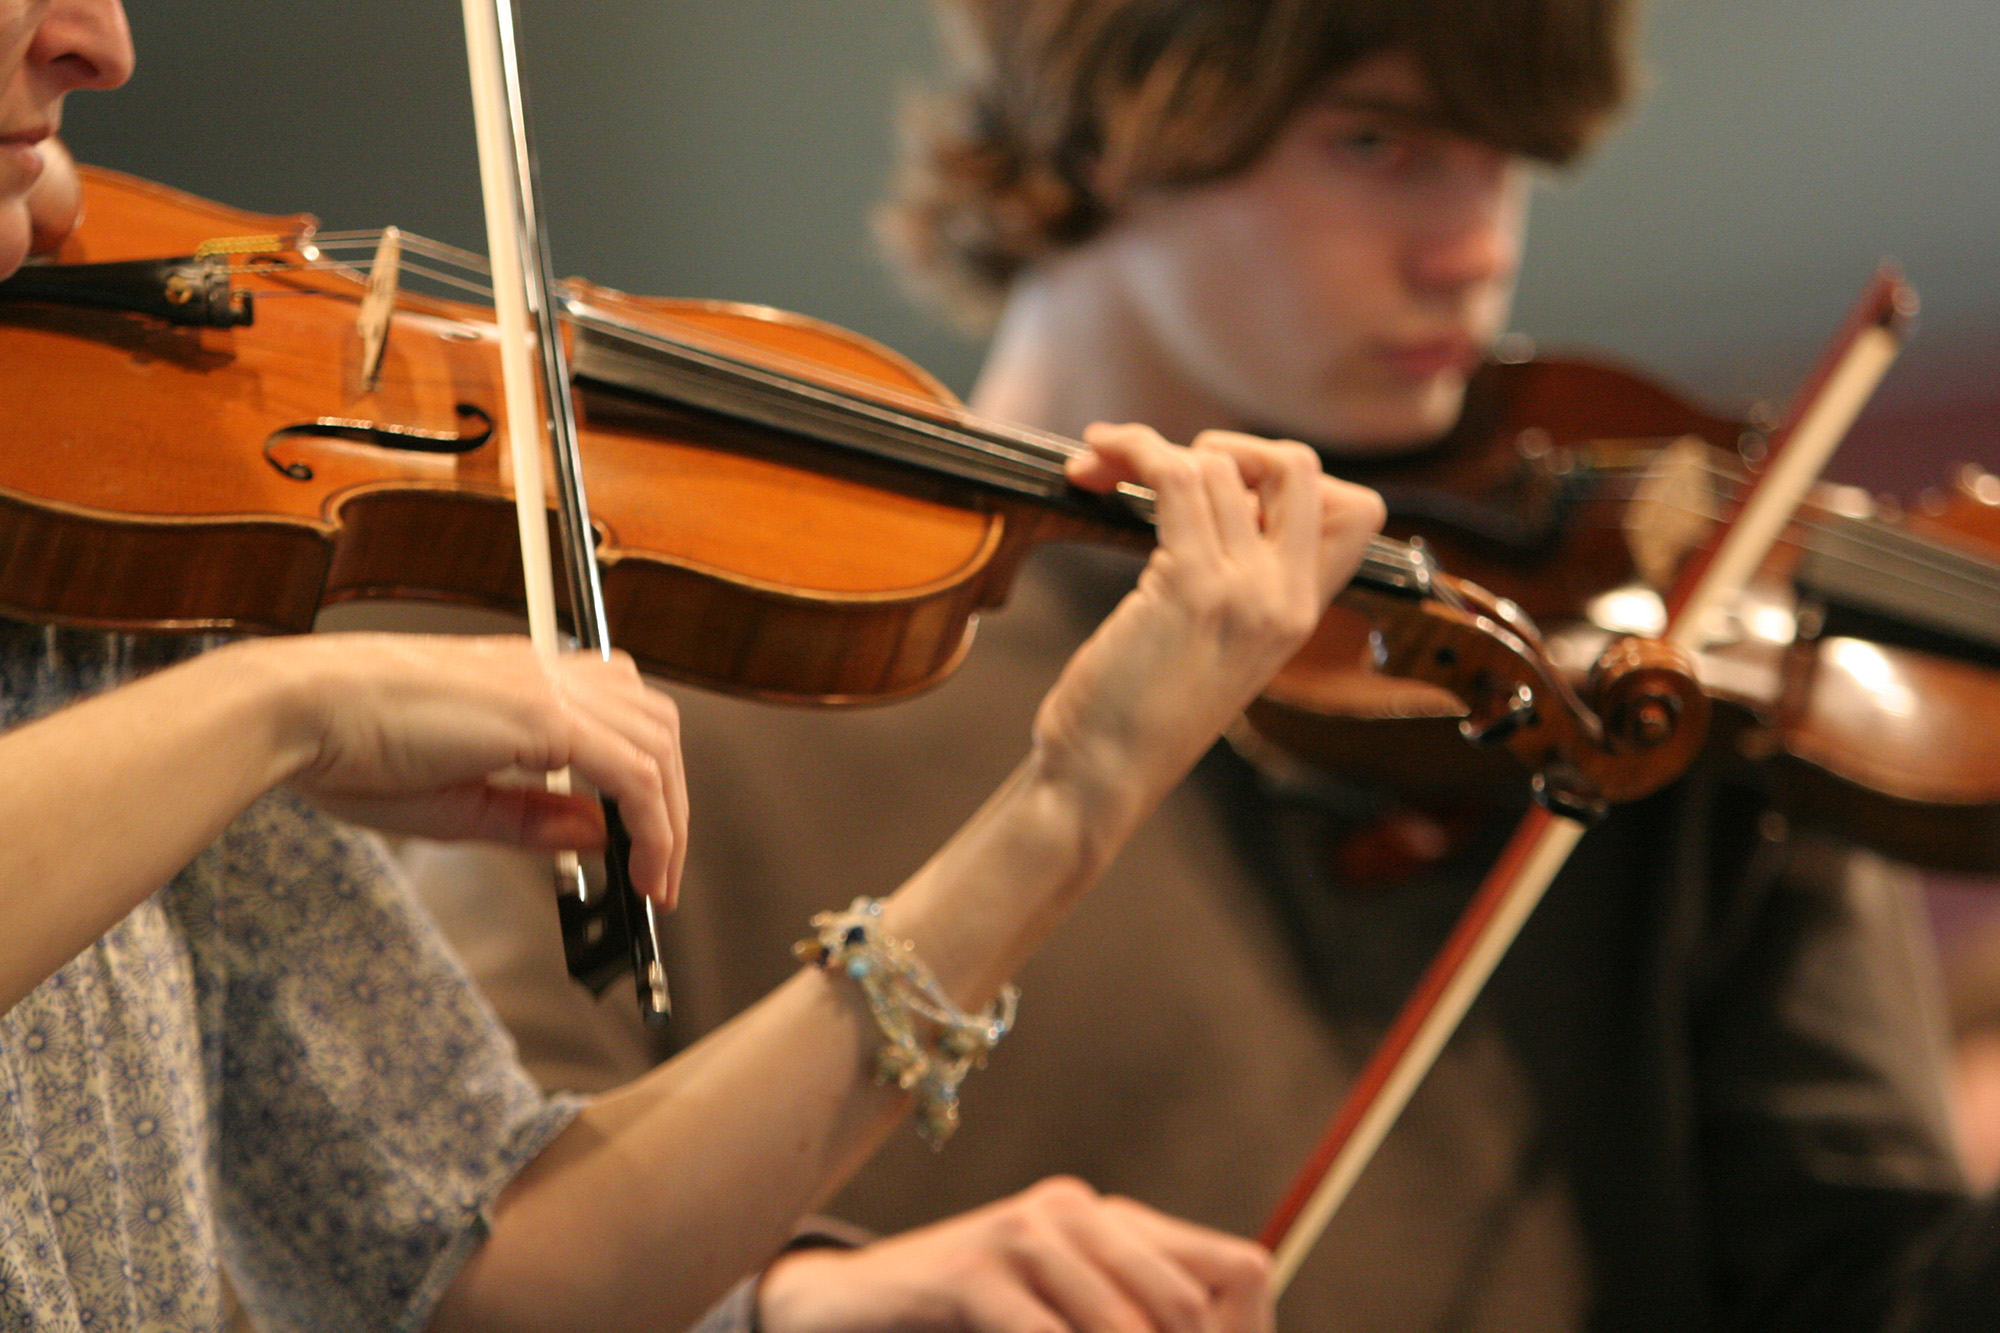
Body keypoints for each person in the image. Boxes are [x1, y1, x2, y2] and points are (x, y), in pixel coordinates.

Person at [434, 1, 1993, 1328]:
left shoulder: (1639, 679)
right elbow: (412, 1251)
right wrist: (801, 1302)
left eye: (1512, 159)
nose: (1475, 252)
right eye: (1380, 144)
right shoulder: (653, 637)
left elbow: (1874, 1287)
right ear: (1123, 120)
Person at [0, 2, 1393, 1329]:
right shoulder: (219, 707)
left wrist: (1071, 800)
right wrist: (283, 705)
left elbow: (481, 1271)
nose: (101, 47)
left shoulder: (88, 574)